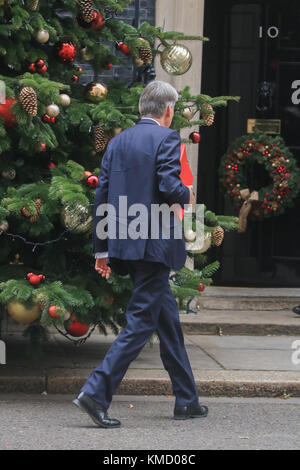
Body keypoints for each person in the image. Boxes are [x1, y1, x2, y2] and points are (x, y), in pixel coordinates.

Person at [73, 80, 208, 428]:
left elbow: (101, 195)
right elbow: (168, 185)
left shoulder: (117, 143)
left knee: (166, 320)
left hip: (125, 243)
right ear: (168, 111)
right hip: (155, 244)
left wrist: (101, 248)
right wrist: (187, 195)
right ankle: (96, 393)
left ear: (140, 109)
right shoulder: (166, 138)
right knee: (140, 323)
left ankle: (187, 399)